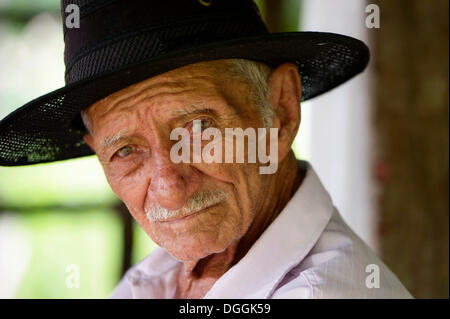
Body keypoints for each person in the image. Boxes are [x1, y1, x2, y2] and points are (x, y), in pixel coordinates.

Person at [0, 0, 411, 298]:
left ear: (281, 109)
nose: (169, 187)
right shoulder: (157, 281)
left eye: (197, 128)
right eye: (126, 151)